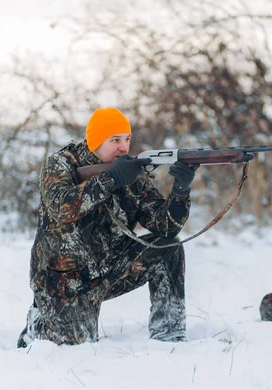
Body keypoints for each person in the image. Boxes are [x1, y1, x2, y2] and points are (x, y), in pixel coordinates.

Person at [17, 107, 198, 347]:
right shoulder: (59, 164)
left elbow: (165, 226)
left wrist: (181, 189)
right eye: (115, 140)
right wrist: (111, 179)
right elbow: (64, 208)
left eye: (127, 139)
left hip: (109, 269)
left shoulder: (130, 171)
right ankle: (38, 323)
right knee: (75, 349)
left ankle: (169, 337)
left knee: (168, 247)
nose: (124, 147)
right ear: (95, 141)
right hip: (64, 282)